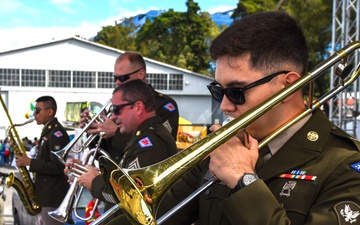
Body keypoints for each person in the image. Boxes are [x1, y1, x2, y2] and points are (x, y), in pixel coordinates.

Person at [110, 11, 360, 225]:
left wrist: (244, 180)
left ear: (288, 87)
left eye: (236, 92)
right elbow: (156, 211)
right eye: (218, 91)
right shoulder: (223, 149)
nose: (226, 105)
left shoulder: (344, 165)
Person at [66, 79, 178, 223]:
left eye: (117, 109)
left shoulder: (150, 143)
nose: (112, 116)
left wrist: (95, 182)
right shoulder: (143, 136)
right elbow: (128, 180)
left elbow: (130, 195)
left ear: (138, 107)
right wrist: (88, 173)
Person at [15, 96, 70, 225]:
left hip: (51, 198)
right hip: (44, 196)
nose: (34, 114)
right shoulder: (48, 132)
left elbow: (57, 167)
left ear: (50, 112)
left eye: (38, 111)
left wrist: (30, 162)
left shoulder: (57, 133)